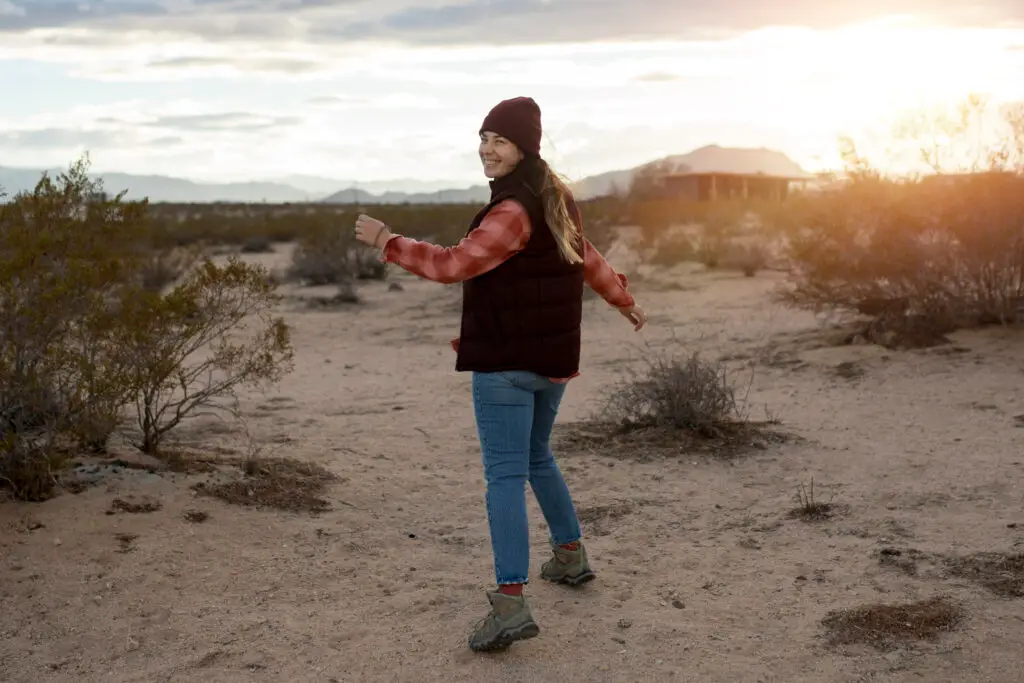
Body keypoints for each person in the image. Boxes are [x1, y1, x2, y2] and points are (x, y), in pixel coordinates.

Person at [353, 96, 646, 652]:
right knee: (537, 458)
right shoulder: (554, 198)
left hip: (507, 367)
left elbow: (452, 264)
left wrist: (388, 242)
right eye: (483, 138)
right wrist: (622, 299)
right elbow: (589, 259)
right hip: (550, 363)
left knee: (506, 477)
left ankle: (510, 604)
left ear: (523, 147)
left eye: (500, 140)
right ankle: (570, 557)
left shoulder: (512, 210)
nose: (487, 149)